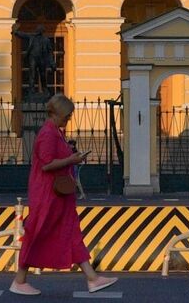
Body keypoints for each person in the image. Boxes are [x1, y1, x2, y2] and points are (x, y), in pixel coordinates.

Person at [11, 94, 115, 297]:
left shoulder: (54, 132)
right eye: (65, 117)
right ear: (55, 114)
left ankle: (92, 278)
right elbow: (47, 164)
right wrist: (71, 160)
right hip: (49, 194)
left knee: (71, 231)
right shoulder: (48, 134)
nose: (67, 120)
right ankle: (19, 279)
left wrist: (71, 159)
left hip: (58, 194)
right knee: (38, 232)